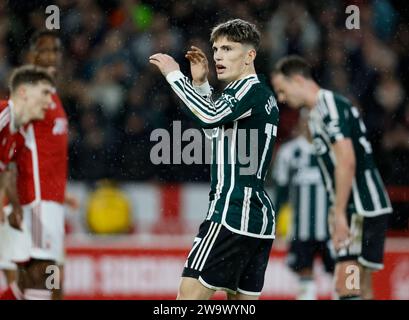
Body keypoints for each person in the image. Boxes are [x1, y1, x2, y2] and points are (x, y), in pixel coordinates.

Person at [150, 19, 279, 300]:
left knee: (187, 298)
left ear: (250, 56)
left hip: (230, 212)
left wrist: (175, 76)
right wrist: (200, 85)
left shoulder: (248, 90)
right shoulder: (261, 96)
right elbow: (218, 134)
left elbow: (209, 117)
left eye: (228, 49)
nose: (218, 56)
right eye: (216, 49)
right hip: (258, 219)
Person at [271, 55, 392, 300]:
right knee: (357, 288)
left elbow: (346, 160)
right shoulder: (318, 113)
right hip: (362, 206)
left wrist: (338, 214)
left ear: (297, 80)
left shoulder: (328, 105)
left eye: (282, 91)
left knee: (348, 288)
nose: (282, 99)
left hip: (359, 208)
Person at [0, 30, 77, 301]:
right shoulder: (24, 102)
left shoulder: (49, 97)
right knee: (39, 276)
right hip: (36, 201)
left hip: (48, 199)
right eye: (44, 50)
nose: (51, 56)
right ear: (31, 56)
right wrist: (8, 199)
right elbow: (13, 159)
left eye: (55, 50)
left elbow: (17, 156)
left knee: (46, 280)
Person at [0, 65, 54, 298]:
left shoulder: (18, 134)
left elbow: (6, 171)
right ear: (23, 92)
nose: (49, 101)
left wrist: (13, 205)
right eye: (44, 93)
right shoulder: (3, 114)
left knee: (29, 275)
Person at [272, 112, 334, 300]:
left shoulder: (334, 151)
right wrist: (276, 224)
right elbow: (281, 193)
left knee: (340, 271)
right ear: (301, 123)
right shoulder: (289, 152)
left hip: (331, 228)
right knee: (304, 272)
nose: (310, 126)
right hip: (301, 229)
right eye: (307, 121)